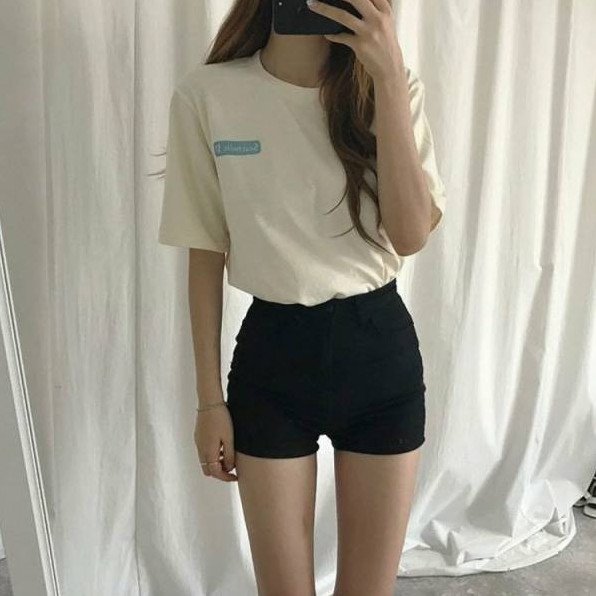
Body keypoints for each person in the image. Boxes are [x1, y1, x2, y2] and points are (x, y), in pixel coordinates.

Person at [157, 1, 447, 594]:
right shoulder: (208, 95)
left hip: (379, 353)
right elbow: (204, 252)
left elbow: (411, 235)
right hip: (272, 360)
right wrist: (208, 402)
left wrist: (389, 79)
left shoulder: (391, 88)